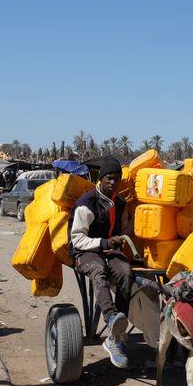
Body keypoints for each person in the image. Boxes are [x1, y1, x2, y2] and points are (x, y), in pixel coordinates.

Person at [69, 156, 133, 369]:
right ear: (101, 178)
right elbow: (77, 238)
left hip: (109, 250)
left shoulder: (120, 202)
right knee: (98, 269)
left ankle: (116, 336)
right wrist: (104, 241)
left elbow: (124, 229)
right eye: (109, 178)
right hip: (84, 251)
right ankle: (112, 317)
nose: (113, 183)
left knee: (126, 272)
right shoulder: (86, 203)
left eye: (117, 179)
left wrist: (124, 239)